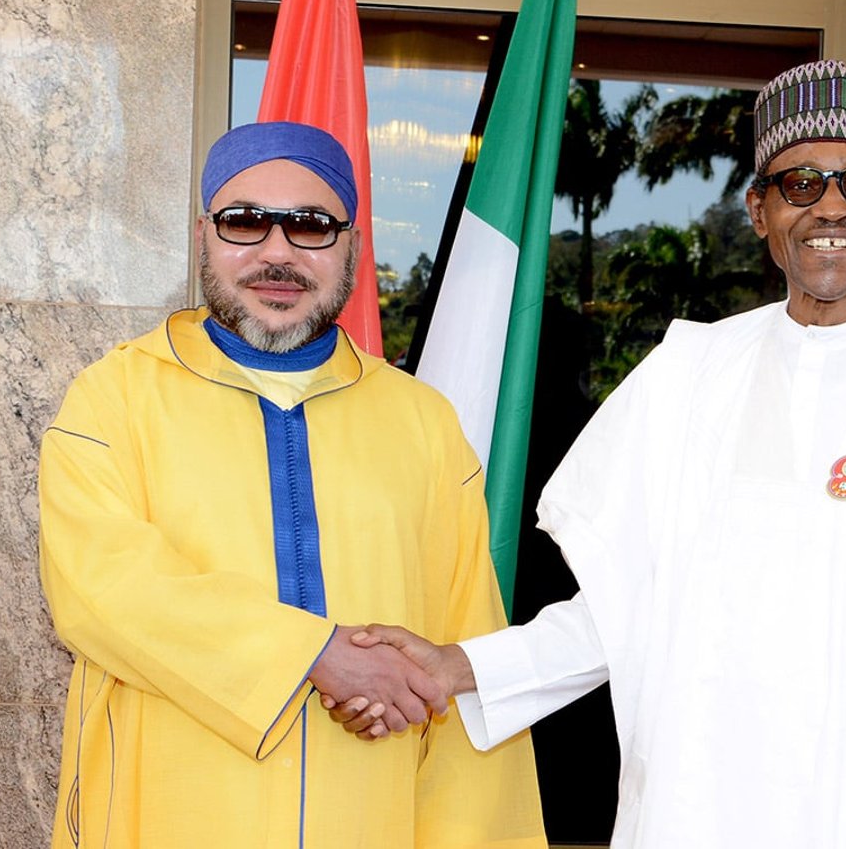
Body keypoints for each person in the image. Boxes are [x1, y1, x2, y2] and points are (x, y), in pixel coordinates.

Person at [339, 61, 846, 848]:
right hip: (710, 802)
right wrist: (455, 668)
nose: (833, 207)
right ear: (758, 209)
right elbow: (619, 614)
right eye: (800, 183)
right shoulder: (686, 377)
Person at [37, 121, 545, 849]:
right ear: (203, 234)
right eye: (245, 221)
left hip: (370, 819)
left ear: (353, 249)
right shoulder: (112, 398)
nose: (276, 252)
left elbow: (463, 668)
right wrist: (313, 651)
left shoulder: (424, 424)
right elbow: (100, 589)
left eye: (311, 226)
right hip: (166, 816)